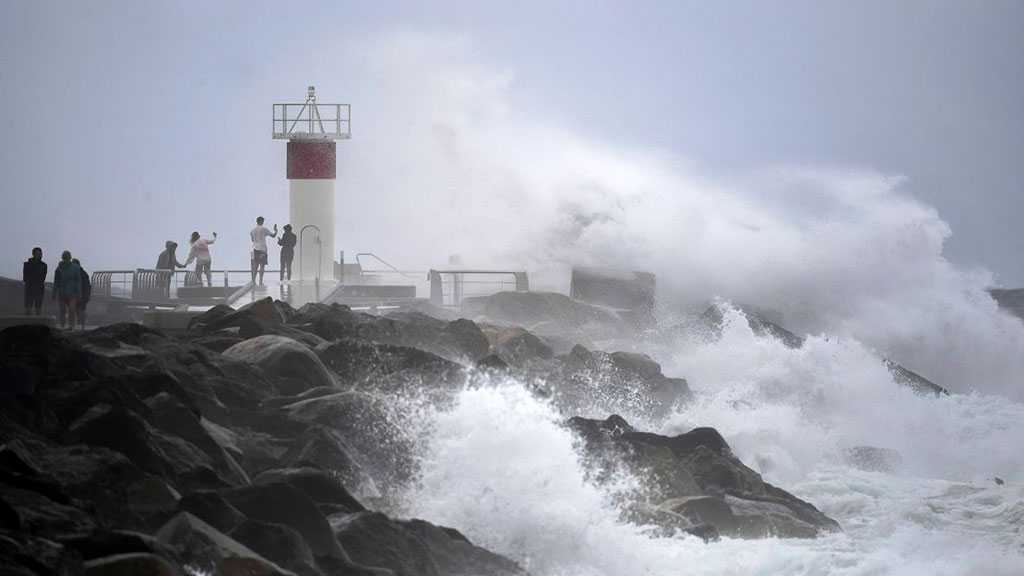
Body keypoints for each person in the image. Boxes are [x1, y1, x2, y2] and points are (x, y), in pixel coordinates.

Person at [52, 251, 82, 330]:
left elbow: (78, 280)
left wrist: (79, 293)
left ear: (70, 258)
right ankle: (62, 325)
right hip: (62, 292)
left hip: (72, 292)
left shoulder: (75, 268)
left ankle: (71, 325)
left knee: (72, 309)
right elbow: (56, 282)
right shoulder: (59, 268)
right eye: (65, 257)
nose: (66, 259)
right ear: (63, 258)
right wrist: (54, 293)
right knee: (62, 310)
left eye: (68, 257)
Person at [250, 216, 277, 286]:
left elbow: (252, 240)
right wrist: (276, 230)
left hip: (255, 249)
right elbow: (273, 236)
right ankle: (260, 281)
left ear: (257, 221)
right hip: (263, 249)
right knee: (262, 266)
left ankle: (253, 281)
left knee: (255, 266)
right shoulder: (264, 229)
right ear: (262, 221)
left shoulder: (252, 231)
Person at [22, 247, 47, 315]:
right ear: (33, 254)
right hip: (29, 287)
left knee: (38, 308)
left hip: (39, 288)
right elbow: (25, 277)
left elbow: (43, 277)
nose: (40, 255)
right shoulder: (27, 264)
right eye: (38, 253)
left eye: (40, 253)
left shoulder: (44, 265)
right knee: (28, 308)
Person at [73, 258, 91, 330]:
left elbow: (87, 286)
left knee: (81, 311)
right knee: (75, 311)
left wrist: (87, 296)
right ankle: (77, 326)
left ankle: (82, 326)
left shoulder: (83, 274)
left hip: (82, 295)